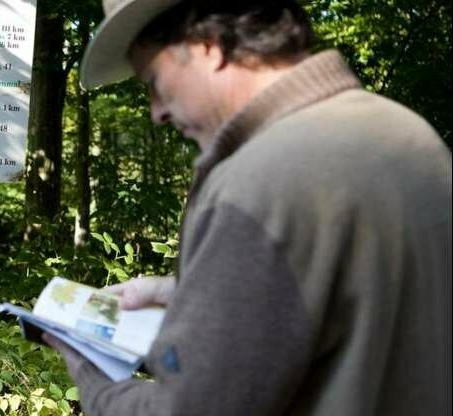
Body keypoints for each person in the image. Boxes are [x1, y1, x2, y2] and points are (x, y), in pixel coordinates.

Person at [44, 0, 452, 414]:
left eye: (154, 81)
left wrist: (91, 376)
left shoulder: (259, 180)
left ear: (209, 44)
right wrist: (188, 293)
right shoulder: (411, 137)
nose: (157, 113)